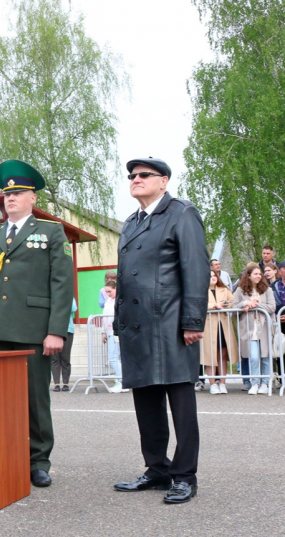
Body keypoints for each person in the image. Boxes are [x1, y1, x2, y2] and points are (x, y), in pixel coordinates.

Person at [0, 159, 74, 488]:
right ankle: (10, 455)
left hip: (33, 330)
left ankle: (39, 459)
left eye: (18, 193)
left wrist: (56, 331)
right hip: (0, 331)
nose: (10, 198)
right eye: (7, 194)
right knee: (2, 400)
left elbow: (62, 283)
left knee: (35, 399)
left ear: (33, 199)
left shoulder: (51, 231)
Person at [112, 157, 208, 505]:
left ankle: (184, 475)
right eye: (131, 176)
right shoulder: (131, 222)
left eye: (143, 175)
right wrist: (118, 323)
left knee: (181, 406)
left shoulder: (181, 213)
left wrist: (193, 322)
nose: (135, 179)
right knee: (146, 403)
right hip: (138, 327)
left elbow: (195, 270)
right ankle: (156, 469)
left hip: (170, 324)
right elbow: (123, 278)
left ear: (163, 181)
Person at [233, 265, 275, 395]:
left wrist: (255, 304)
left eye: (260, 274)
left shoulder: (267, 290)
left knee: (265, 356)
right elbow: (234, 308)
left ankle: (265, 383)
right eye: (256, 274)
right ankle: (255, 382)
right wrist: (245, 303)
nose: (258, 276)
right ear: (249, 275)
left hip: (264, 327)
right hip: (249, 329)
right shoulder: (240, 291)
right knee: (254, 357)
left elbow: (271, 307)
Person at [202, 271, 236, 394]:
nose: (213, 278)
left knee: (223, 354)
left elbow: (232, 302)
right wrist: (214, 306)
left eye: (215, 275)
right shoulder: (201, 290)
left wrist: (225, 305)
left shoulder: (224, 289)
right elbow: (198, 304)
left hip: (223, 325)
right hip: (209, 326)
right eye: (210, 276)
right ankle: (212, 384)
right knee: (210, 354)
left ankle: (222, 383)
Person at [101, 282, 127, 393]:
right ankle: (121, 381)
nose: (108, 294)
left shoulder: (120, 301)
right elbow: (104, 317)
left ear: (116, 288)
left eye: (109, 291)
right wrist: (104, 332)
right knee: (116, 358)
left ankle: (121, 381)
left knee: (113, 358)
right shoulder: (108, 301)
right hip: (110, 332)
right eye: (106, 292)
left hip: (116, 332)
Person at [52, 298, 77, 392]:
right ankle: (56, 383)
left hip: (68, 330)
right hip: (54, 330)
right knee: (55, 358)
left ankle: (66, 383)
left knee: (65, 357)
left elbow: (73, 308)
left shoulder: (70, 297)